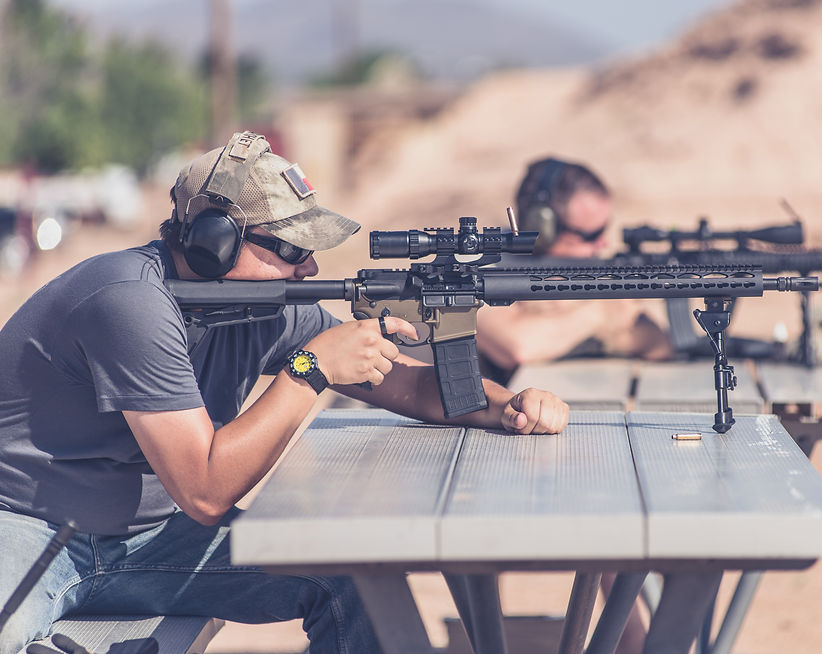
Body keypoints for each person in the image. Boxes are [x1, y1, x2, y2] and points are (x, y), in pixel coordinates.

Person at [0, 132, 569, 654]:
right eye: (292, 250)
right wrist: (309, 372)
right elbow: (205, 492)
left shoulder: (260, 307)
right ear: (212, 243)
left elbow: (412, 388)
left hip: (150, 540)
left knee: (353, 578)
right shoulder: (129, 303)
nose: (311, 266)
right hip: (26, 528)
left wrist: (506, 406)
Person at [476, 156, 674, 385]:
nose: (603, 244)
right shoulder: (479, 263)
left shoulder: (590, 268)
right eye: (590, 235)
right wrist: (597, 312)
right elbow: (518, 348)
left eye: (604, 229)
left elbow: (659, 345)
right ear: (542, 225)